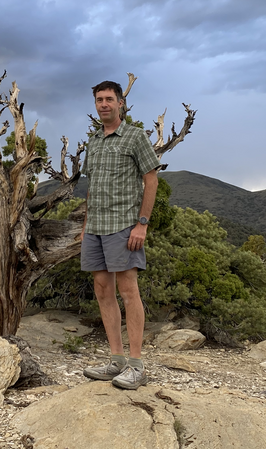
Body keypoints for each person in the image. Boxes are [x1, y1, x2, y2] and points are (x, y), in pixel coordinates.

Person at [80, 80, 160, 390]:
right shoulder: (94, 142)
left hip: (124, 226)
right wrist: (86, 225)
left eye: (109, 99)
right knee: (102, 290)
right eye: (99, 99)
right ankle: (116, 360)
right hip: (96, 228)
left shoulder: (136, 137)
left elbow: (150, 180)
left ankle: (137, 365)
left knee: (128, 290)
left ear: (121, 103)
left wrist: (142, 224)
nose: (104, 104)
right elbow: (93, 186)